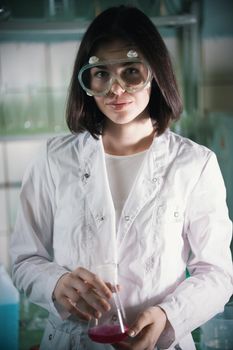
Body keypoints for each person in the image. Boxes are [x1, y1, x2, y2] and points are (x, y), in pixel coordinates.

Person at [10, 5, 233, 350]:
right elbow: (24, 260)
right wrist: (56, 284)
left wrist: (167, 315)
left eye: (131, 71)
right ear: (86, 80)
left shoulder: (194, 163)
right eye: (101, 73)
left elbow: (216, 273)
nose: (115, 89)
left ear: (156, 73)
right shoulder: (54, 159)